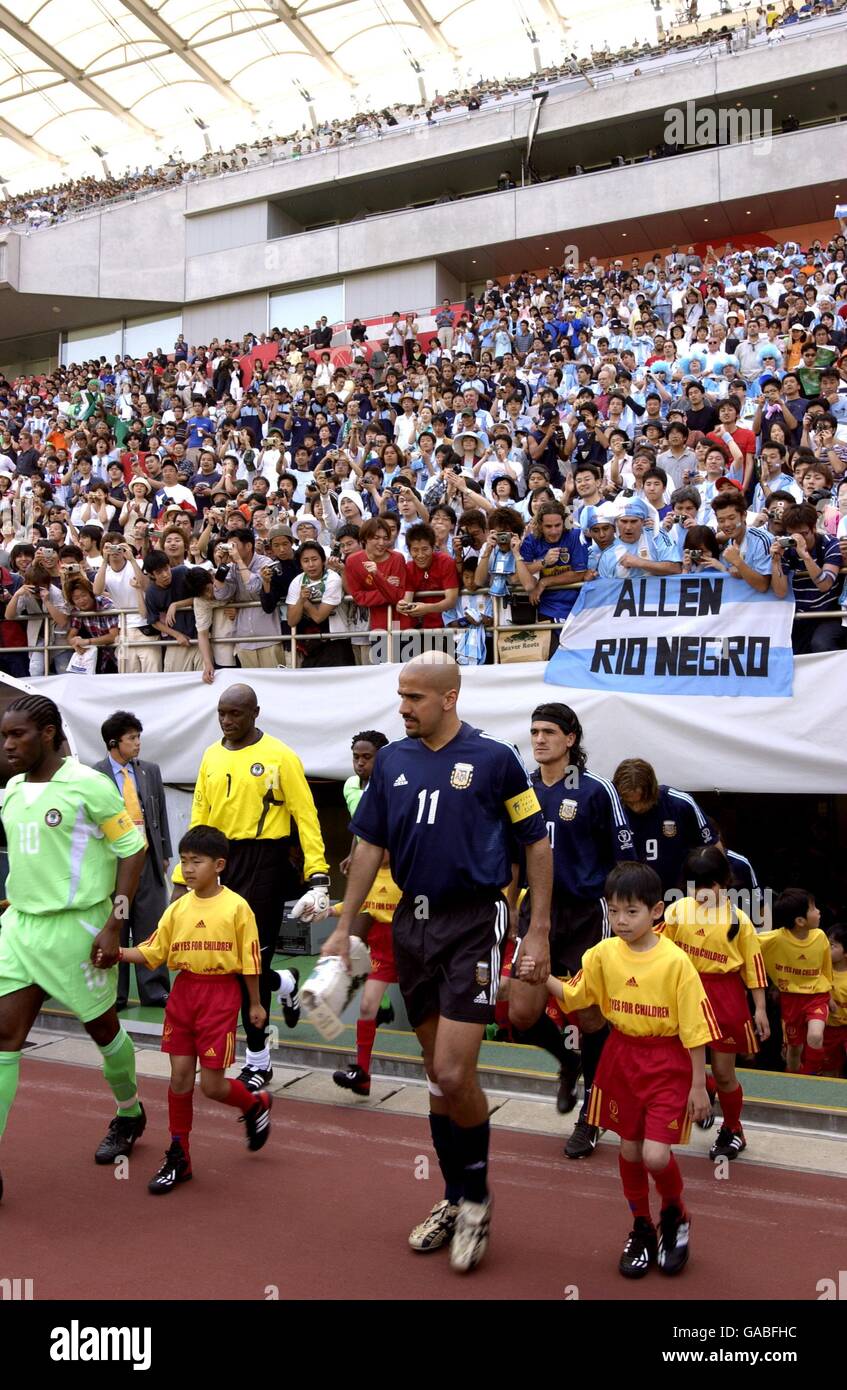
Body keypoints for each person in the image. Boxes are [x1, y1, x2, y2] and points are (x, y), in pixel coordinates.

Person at [321, 652, 552, 1273]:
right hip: (410, 924)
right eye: (400, 696)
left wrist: (539, 932)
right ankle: (452, 1194)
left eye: (415, 698)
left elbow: (535, 842)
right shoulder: (392, 760)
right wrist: (345, 926)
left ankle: (476, 1197)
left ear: (449, 697)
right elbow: (369, 845)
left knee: (453, 1073)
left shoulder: (496, 760)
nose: (403, 709)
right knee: (433, 1074)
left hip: (473, 922)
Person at [517, 862, 717, 1279]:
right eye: (613, 911)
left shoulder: (676, 962)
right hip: (620, 1057)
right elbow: (575, 995)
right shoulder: (602, 954)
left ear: (657, 911)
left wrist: (699, 1085)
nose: (621, 920)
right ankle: (642, 1227)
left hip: (668, 1063)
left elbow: (696, 1029)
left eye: (632, 911)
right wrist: (541, 975)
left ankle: (676, 1215)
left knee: (655, 1155)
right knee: (628, 1150)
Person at [0, 695, 147, 1199]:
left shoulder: (90, 785)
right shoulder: (13, 790)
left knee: (104, 1032)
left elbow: (133, 849)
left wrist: (115, 925)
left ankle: (130, 1111)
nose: (7, 745)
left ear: (46, 733)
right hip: (20, 930)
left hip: (79, 932)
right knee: (4, 1038)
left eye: (16, 735)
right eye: (3, 736)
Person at [172, 684, 328, 1090]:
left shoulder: (280, 756)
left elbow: (306, 815)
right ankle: (287, 983)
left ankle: (258, 1061)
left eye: (236, 714)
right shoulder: (210, 755)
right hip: (222, 861)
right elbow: (200, 817)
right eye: (222, 713)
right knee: (227, 962)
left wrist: (318, 875)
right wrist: (182, 875)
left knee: (247, 962)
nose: (227, 721)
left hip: (266, 862)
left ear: (255, 713)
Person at [509, 703, 638, 1158]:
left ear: (571, 738)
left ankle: (593, 1114)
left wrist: (626, 921)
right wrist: (507, 913)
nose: (539, 739)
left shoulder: (597, 790)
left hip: (588, 914)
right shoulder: (521, 788)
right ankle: (567, 1060)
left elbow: (625, 860)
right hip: (536, 914)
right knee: (521, 1012)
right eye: (534, 731)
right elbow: (509, 857)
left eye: (548, 732)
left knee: (588, 1016)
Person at [118, 826, 271, 1193]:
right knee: (180, 1078)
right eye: (184, 861)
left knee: (213, 1086)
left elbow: (251, 961)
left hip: (220, 997)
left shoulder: (237, 907)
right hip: (184, 993)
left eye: (196, 862)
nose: (188, 869)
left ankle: (253, 1104)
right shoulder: (178, 908)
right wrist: (118, 954)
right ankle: (179, 1154)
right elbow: (153, 951)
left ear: (219, 864)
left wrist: (255, 1003)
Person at [661, 848, 769, 1162]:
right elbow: (659, 951)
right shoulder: (677, 911)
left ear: (721, 885)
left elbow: (754, 966)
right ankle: (703, 1087)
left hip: (726, 997)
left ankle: (734, 1130)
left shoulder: (740, 920)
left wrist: (760, 1009)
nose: (696, 892)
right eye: (691, 885)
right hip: (685, 993)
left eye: (703, 885)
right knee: (677, 1065)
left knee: (724, 1073)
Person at [332, 731, 401, 1095]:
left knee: (431, 1017)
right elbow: (362, 828)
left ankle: (444, 1074)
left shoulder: (398, 792)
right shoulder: (349, 788)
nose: (361, 763)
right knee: (367, 1005)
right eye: (356, 756)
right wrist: (355, 852)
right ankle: (362, 1071)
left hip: (414, 941)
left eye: (368, 757)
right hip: (383, 945)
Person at [94, 711, 172, 1011]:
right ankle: (116, 994)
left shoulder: (149, 771)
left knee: (150, 924)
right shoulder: (95, 775)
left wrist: (164, 852)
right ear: (114, 743)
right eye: (132, 738)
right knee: (117, 922)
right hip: (115, 867)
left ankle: (155, 990)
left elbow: (160, 813)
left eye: (138, 737)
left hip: (147, 862)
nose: (138, 743)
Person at [612, 759, 715, 892]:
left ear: (653, 790)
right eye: (629, 803)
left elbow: (713, 849)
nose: (636, 808)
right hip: (633, 896)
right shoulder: (612, 809)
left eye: (641, 801)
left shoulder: (680, 804)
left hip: (678, 894)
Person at [759, 888, 832, 1074]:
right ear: (800, 921)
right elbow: (746, 942)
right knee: (794, 1051)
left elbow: (826, 969)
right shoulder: (774, 939)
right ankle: (793, 1079)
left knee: (815, 1035)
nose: (819, 911)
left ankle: (811, 1077)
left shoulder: (821, 937)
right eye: (813, 908)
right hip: (791, 1000)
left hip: (817, 996)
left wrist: (829, 994)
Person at [815, 924, 847, 1078]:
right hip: (829, 1030)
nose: (827, 948)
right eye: (826, 943)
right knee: (830, 1071)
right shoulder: (819, 970)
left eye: (832, 945)